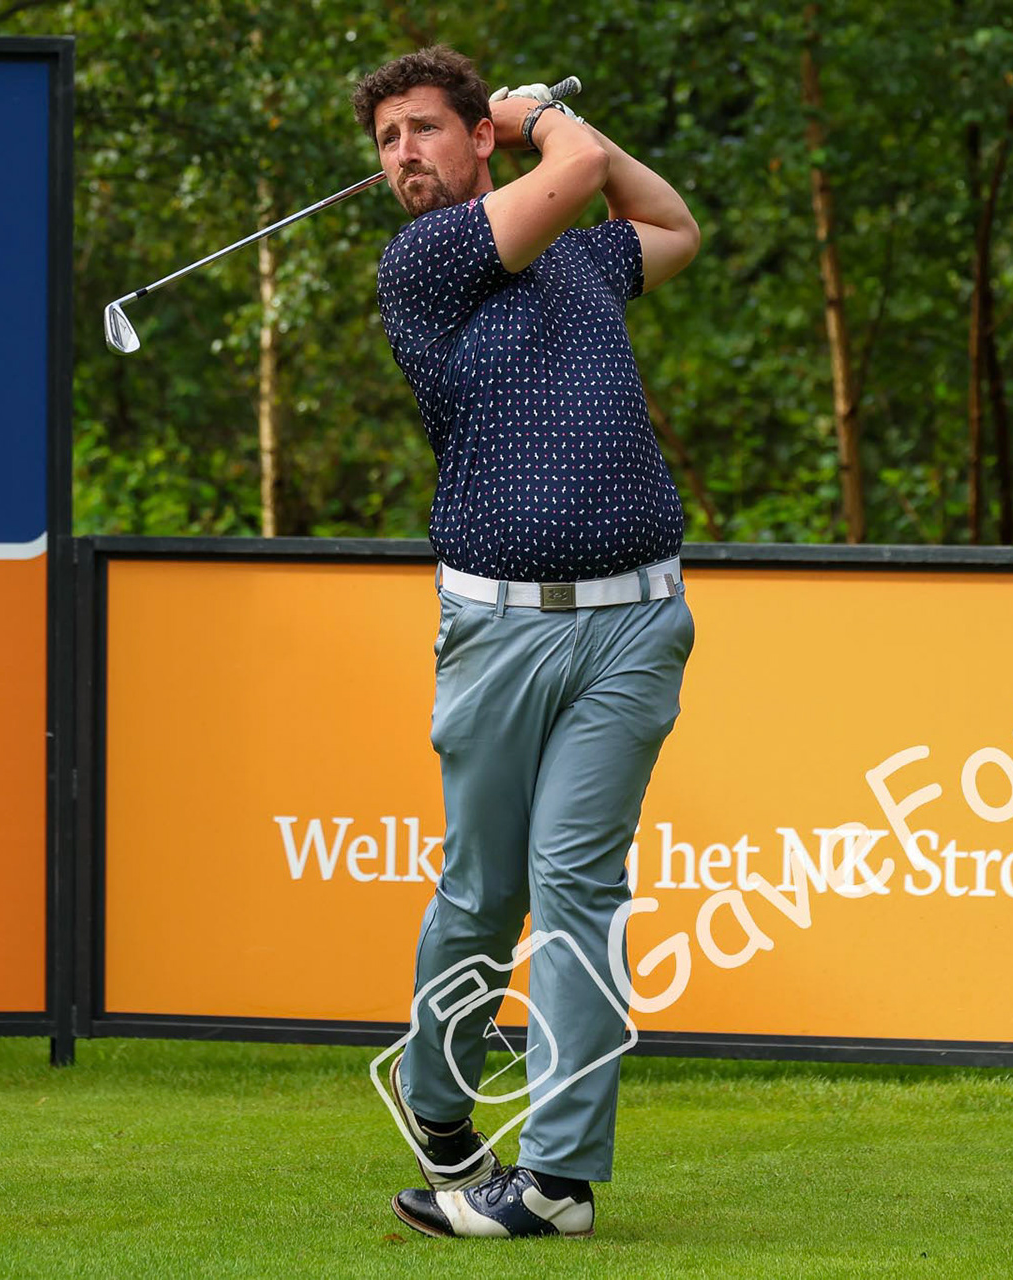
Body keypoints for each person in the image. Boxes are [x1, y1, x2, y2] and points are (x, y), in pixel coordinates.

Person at [352, 46, 701, 1240]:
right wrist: (554, 116)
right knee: (481, 890)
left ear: (478, 139)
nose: (404, 155)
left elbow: (669, 223)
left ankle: (555, 1179)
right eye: (388, 139)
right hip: (498, 631)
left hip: (635, 627)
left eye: (425, 131)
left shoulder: (580, 266)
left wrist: (554, 130)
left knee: (578, 893)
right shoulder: (424, 263)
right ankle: (440, 1098)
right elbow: (587, 161)